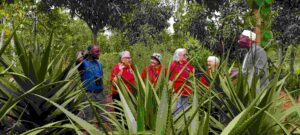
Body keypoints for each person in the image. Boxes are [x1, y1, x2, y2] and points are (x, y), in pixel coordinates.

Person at [76, 45, 106, 126]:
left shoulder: (99, 63)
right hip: (88, 94)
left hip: (100, 94)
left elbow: (101, 76)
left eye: (99, 51)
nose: (99, 53)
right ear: (90, 52)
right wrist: (82, 52)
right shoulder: (83, 64)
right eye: (97, 51)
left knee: (103, 117)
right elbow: (78, 60)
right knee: (88, 117)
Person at [169, 48, 195, 115]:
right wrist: (173, 92)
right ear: (178, 55)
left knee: (185, 110)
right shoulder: (173, 65)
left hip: (186, 91)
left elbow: (193, 71)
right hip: (177, 92)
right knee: (177, 111)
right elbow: (170, 80)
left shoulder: (186, 63)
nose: (186, 56)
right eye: (184, 55)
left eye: (186, 55)